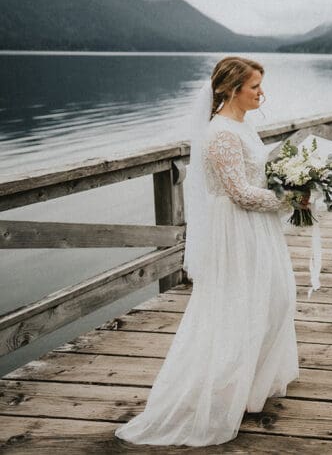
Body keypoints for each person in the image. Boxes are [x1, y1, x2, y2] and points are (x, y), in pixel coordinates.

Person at [116, 56, 302, 446]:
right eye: (255, 87)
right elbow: (239, 193)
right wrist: (290, 200)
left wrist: (291, 184)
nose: (262, 93)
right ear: (231, 90)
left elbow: (257, 178)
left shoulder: (244, 126)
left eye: (260, 85)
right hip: (236, 227)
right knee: (240, 302)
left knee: (276, 297)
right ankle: (224, 388)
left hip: (258, 226)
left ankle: (251, 383)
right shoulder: (220, 134)